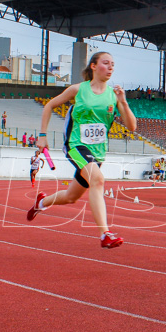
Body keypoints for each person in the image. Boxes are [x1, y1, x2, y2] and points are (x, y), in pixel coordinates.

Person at [26, 52, 135, 249]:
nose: (110, 67)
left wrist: (124, 102)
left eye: (113, 64)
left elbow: (132, 127)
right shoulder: (78, 89)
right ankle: (105, 234)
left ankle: (40, 203)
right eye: (105, 63)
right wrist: (42, 135)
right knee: (98, 179)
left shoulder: (114, 95)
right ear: (93, 66)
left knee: (71, 197)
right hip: (76, 145)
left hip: (98, 152)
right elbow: (49, 105)